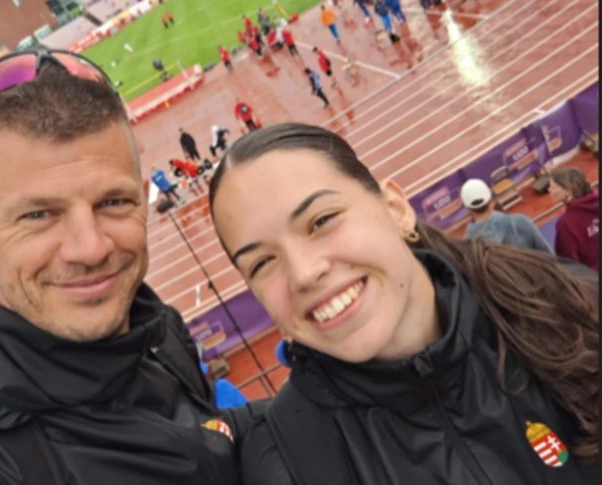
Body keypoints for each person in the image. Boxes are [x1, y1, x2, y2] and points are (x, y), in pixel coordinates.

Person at [0, 50, 239, 485]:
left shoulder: (160, 329)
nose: (90, 248)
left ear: (142, 199)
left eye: (113, 201)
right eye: (38, 215)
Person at [208, 123, 599, 485]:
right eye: (262, 263)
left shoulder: (574, 307)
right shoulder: (286, 463)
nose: (303, 274)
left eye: (321, 221)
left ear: (395, 208)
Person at [461, 178, 553, 253]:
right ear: (492, 200)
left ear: (468, 209)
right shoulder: (520, 222)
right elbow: (550, 257)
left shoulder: (466, 249)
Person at [549, 167, 599, 271]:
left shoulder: (566, 223)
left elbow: (570, 263)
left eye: (553, 187)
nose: (549, 190)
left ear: (568, 190)